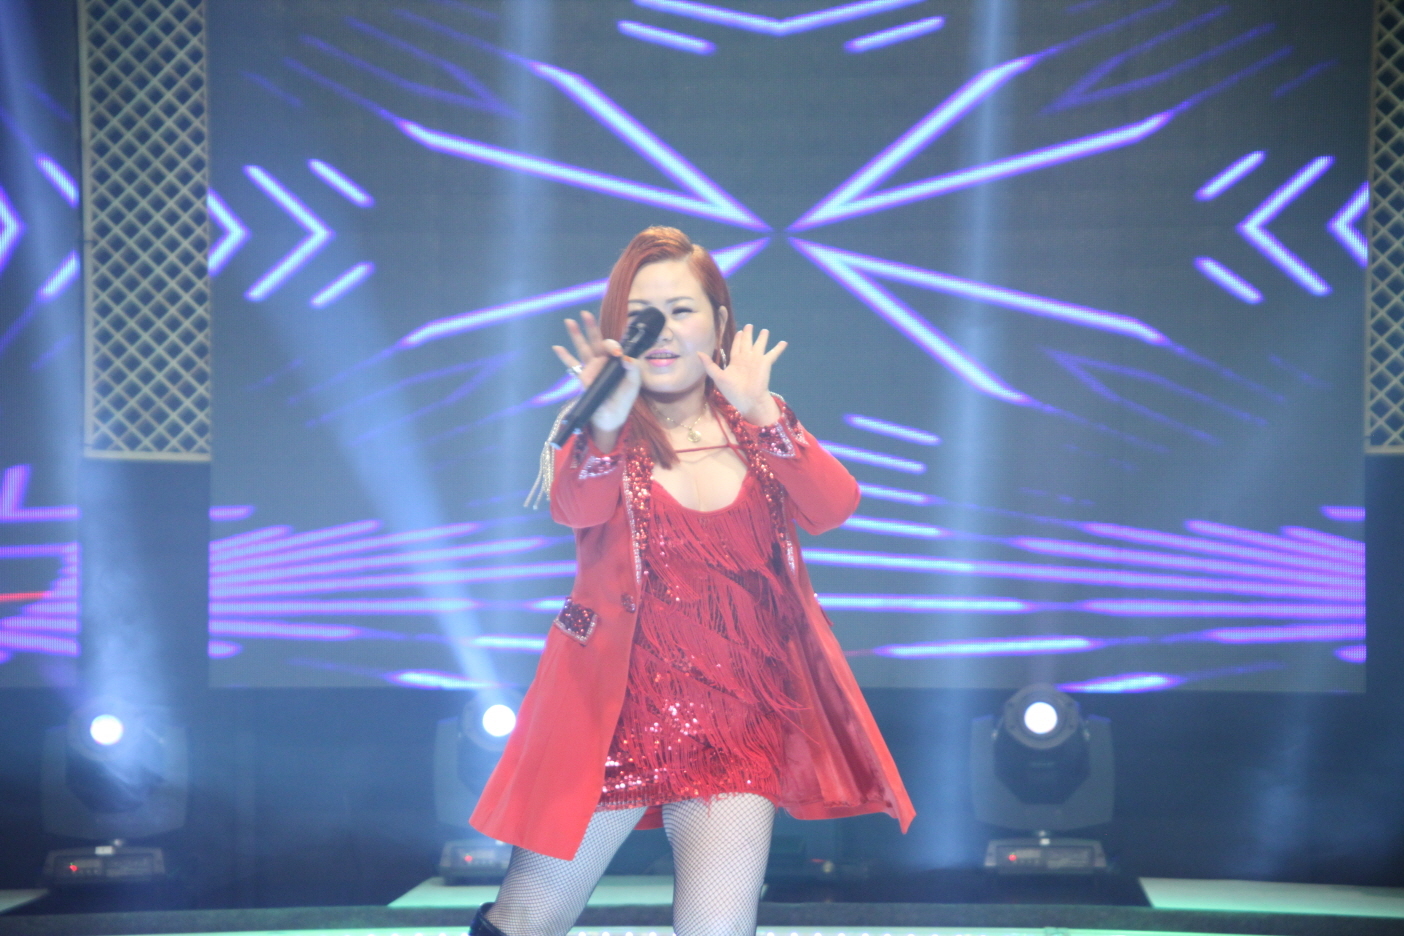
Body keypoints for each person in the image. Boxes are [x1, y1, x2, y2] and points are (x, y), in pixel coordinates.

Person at [469, 227, 914, 936]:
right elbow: (575, 508)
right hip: (614, 717)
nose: (664, 332)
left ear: (720, 322)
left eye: (682, 310)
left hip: (739, 721)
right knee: (528, 918)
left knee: (718, 928)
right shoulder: (603, 430)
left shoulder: (760, 426)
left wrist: (765, 414)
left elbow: (834, 507)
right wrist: (605, 429)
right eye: (642, 317)